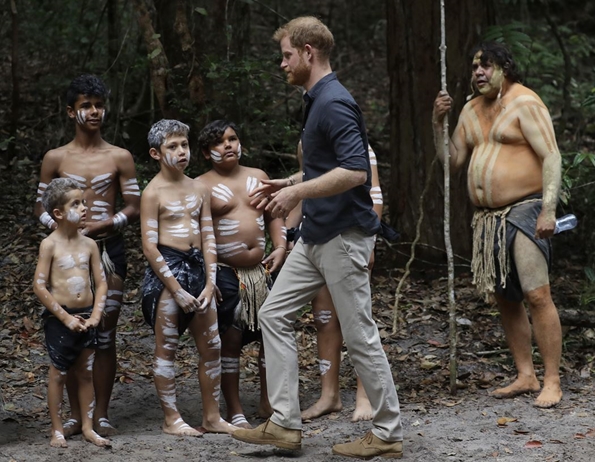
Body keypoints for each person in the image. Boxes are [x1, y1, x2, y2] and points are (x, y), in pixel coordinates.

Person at [231, 16, 403, 459]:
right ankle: (285, 425)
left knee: (359, 332)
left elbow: (356, 171)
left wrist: (296, 192)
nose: (282, 63)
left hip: (344, 237)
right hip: (316, 236)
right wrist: (288, 180)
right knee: (273, 314)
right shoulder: (315, 100)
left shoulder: (335, 102)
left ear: (309, 51)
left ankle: (387, 432)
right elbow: (326, 167)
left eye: (287, 54)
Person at [432, 42, 563, 408]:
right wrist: (437, 121)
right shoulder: (471, 110)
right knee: (506, 298)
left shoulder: (525, 103)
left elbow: (551, 156)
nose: (478, 72)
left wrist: (548, 209)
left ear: (505, 68)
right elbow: (451, 160)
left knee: (537, 294)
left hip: (525, 209)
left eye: (486, 66)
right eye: (475, 66)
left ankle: (551, 379)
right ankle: (526, 374)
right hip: (488, 220)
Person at [34, 74, 140, 436]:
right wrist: (63, 232)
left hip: (107, 251)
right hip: (66, 256)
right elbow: (40, 206)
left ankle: (102, 414)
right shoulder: (55, 158)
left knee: (102, 333)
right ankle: (78, 416)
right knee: (72, 334)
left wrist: (102, 226)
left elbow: (134, 205)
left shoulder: (120, 156)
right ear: (70, 112)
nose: (94, 112)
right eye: (86, 106)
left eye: (98, 105)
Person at [140, 119, 235, 436]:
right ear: (156, 153)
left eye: (184, 145)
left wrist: (211, 281)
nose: (181, 152)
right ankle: (172, 419)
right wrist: (176, 289)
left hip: (199, 270)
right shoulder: (152, 192)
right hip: (169, 270)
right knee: (166, 346)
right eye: (172, 146)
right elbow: (150, 246)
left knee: (212, 346)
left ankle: (212, 416)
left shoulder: (199, 188)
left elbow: (209, 237)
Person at [195, 120, 288, 428]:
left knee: (269, 335)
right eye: (220, 142)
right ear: (208, 153)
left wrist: (280, 246)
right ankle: (234, 408)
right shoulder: (200, 185)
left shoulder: (258, 176)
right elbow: (195, 235)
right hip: (225, 271)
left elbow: (274, 213)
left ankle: (268, 400)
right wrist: (207, 276)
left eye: (233, 138)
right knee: (231, 339)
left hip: (262, 269)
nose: (229, 145)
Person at [291, 142, 383, 422]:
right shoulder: (306, 141)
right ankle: (329, 396)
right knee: (324, 318)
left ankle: (365, 395)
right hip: (317, 235)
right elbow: (306, 185)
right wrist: (288, 237)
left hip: (352, 237)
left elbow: (375, 195)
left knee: (356, 317)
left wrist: (369, 243)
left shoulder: (357, 143)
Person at [33, 178, 111, 448]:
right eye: (76, 203)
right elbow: (39, 285)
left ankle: (88, 426)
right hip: (60, 318)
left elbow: (101, 283)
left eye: (84, 202)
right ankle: (57, 429)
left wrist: (96, 316)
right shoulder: (50, 245)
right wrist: (65, 317)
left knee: (86, 372)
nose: (84, 207)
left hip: (87, 315)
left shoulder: (89, 244)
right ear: (59, 213)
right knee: (59, 373)